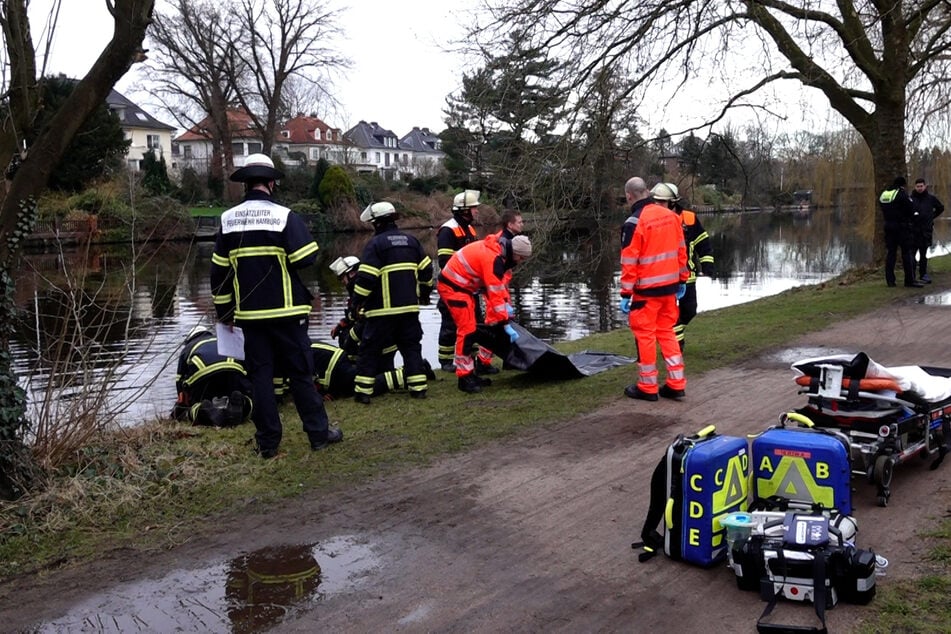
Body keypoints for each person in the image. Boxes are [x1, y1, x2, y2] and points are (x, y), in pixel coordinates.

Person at [210, 153, 343, 458]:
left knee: (260, 378)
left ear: (246, 184)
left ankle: (268, 442)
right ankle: (319, 435)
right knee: (300, 375)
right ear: (271, 182)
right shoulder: (285, 216)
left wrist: (225, 313)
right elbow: (306, 257)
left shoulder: (227, 220)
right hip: (288, 314)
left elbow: (219, 274)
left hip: (249, 316)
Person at [351, 201, 434, 403]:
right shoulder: (411, 241)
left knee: (369, 351)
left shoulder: (375, 245)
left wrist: (356, 302)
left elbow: (366, 279)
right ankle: (418, 389)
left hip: (381, 312)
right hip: (409, 309)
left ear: (377, 223)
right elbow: (427, 269)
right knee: (411, 347)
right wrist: (424, 293)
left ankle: (363, 393)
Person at [618, 177, 689, 401]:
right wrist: (682, 279)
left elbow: (629, 262)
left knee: (645, 336)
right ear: (647, 191)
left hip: (646, 292)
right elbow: (681, 251)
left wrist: (626, 293)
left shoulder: (633, 222)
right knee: (667, 333)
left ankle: (647, 387)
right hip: (670, 289)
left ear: (629, 196)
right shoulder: (671, 217)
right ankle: (676, 384)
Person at [437, 233, 532, 393]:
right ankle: (464, 378)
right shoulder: (493, 259)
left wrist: (506, 311)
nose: (520, 262)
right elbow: (494, 293)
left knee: (471, 330)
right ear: (515, 253)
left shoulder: (498, 253)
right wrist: (504, 320)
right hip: (454, 288)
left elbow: (498, 289)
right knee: (467, 332)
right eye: (521, 258)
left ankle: (470, 373)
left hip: (463, 288)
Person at [652, 183, 716, 350]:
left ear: (673, 202)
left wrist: (707, 265)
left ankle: (668, 333)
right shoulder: (653, 220)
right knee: (670, 314)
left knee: (690, 311)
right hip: (665, 279)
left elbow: (703, 242)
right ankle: (676, 344)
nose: (657, 205)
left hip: (688, 276)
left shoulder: (689, 218)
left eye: (662, 202)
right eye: (656, 201)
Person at [436, 190, 483, 372]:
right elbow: (444, 262)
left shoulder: (469, 229)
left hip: (470, 288)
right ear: (464, 211)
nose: (476, 211)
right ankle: (446, 362)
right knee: (449, 325)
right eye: (474, 208)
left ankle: (473, 357)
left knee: (475, 323)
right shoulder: (448, 230)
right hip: (453, 287)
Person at [171, 326, 252, 427]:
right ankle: (242, 403)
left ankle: (202, 410)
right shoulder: (221, 340)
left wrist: (183, 404)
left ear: (190, 338)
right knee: (247, 398)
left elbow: (179, 380)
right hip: (232, 369)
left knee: (192, 407)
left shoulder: (188, 347)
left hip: (203, 375)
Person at [310, 341, 435, 400]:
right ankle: (414, 369)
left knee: (365, 387)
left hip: (334, 368)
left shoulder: (291, 354)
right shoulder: (294, 347)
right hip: (333, 364)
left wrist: (319, 393)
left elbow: (299, 379)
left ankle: (413, 372)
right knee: (365, 379)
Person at [878, 176, 922, 288]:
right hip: (902, 227)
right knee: (906, 253)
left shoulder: (885, 194)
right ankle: (909, 280)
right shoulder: (902, 194)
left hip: (888, 226)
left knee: (891, 253)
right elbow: (910, 208)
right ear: (903, 185)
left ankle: (890, 281)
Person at [910, 177, 945, 283]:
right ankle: (911, 275)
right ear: (915, 187)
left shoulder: (931, 199)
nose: (919, 188)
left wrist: (931, 216)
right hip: (913, 230)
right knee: (911, 253)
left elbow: (940, 208)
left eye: (921, 186)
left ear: (925, 186)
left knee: (923, 253)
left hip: (926, 230)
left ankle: (923, 274)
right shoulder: (911, 199)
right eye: (918, 186)